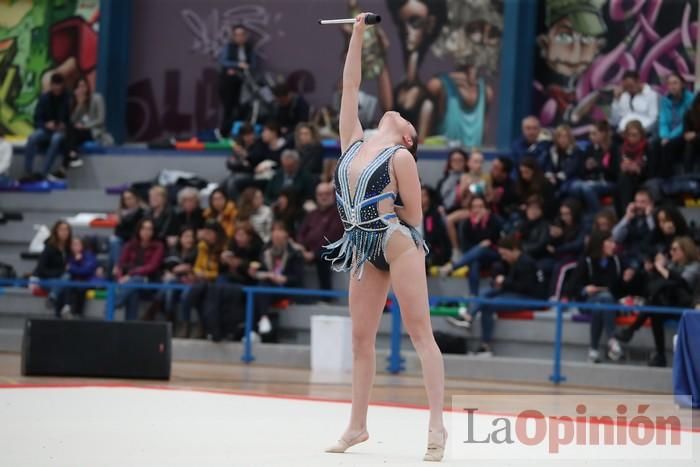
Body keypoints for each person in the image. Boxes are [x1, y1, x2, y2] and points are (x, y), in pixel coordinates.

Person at [322, 13, 445, 461]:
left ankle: (436, 426)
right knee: (360, 339)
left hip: (396, 242)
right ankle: (357, 426)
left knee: (420, 334)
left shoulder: (400, 157)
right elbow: (350, 86)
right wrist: (357, 34)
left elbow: (414, 213)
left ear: (409, 138)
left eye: (405, 119)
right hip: (359, 244)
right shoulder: (353, 140)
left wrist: (385, 211)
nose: (397, 113)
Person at [445, 235, 547, 355]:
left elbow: (525, 288)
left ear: (514, 250)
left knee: (489, 304)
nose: (503, 258)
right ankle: (469, 317)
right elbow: (513, 283)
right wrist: (500, 282)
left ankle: (483, 341)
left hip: (531, 299)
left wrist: (504, 281)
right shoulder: (516, 261)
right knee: (486, 293)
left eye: (505, 254)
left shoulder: (526, 263)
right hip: (518, 292)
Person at [617, 236, 700, 367]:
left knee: (654, 305)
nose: (671, 252)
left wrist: (662, 269)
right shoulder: (672, 266)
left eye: (674, 249)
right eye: (670, 249)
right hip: (668, 304)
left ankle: (632, 330)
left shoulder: (694, 267)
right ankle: (660, 355)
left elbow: (683, 283)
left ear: (685, 250)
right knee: (655, 310)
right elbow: (655, 286)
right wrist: (653, 270)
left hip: (686, 306)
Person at [568, 231, 626, 363]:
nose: (614, 245)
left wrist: (629, 277)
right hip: (588, 301)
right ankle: (612, 339)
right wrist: (585, 289)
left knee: (600, 305)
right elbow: (572, 287)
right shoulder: (586, 261)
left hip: (609, 303)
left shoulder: (616, 262)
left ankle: (593, 350)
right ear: (600, 244)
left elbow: (619, 288)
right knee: (601, 301)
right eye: (610, 242)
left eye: (614, 242)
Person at [249, 221, 304, 341]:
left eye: (280, 230)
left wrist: (284, 278)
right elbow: (261, 270)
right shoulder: (265, 251)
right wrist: (254, 273)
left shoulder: (295, 253)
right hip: (268, 286)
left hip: (286, 288)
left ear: (286, 234)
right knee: (257, 290)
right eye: (274, 230)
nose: (277, 234)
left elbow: (298, 277)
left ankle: (253, 330)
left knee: (259, 291)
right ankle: (262, 320)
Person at [439, 195, 503, 295]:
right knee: (474, 263)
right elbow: (466, 246)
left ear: (486, 208)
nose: (478, 210)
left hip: (493, 254)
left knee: (483, 248)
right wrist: (477, 224)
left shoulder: (494, 220)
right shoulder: (466, 224)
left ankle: (453, 267)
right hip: (474, 256)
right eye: (475, 207)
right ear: (470, 209)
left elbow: (495, 240)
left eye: (481, 206)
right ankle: (474, 296)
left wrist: (480, 224)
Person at [182, 219, 227, 340]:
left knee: (202, 295)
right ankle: (188, 325)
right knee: (190, 294)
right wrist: (196, 273)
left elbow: (219, 272)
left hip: (214, 281)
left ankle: (203, 327)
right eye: (205, 232)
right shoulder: (202, 246)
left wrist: (206, 275)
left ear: (217, 234)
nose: (206, 236)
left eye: (209, 233)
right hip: (201, 280)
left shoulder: (223, 249)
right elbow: (196, 265)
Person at [21, 73, 71, 182]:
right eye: (55, 85)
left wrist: (64, 125)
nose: (57, 88)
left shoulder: (68, 99)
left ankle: (43, 173)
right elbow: (37, 118)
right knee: (32, 137)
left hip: (61, 132)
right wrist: (45, 125)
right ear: (51, 85)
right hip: (46, 130)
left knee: (56, 139)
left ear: (62, 86)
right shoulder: (44, 98)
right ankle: (28, 172)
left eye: (59, 86)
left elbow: (72, 119)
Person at [113, 219, 165, 321]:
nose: (146, 232)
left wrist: (130, 274)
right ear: (139, 230)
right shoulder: (130, 245)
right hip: (131, 284)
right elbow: (120, 265)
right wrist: (120, 278)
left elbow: (152, 267)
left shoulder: (158, 246)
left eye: (149, 229)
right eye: (144, 228)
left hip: (150, 283)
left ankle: (113, 305)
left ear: (153, 231)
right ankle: (130, 326)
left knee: (136, 280)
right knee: (133, 291)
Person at [297, 182, 344, 291]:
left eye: (327, 194)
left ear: (332, 195)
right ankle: (297, 293)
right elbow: (301, 233)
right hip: (308, 250)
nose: (323, 197)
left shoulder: (338, 214)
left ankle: (325, 294)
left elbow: (332, 237)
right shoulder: (312, 214)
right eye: (320, 194)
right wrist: (302, 249)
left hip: (331, 249)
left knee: (323, 255)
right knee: (293, 255)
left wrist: (313, 253)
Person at [569, 120, 618, 214]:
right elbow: (581, 171)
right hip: (591, 180)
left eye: (594, 133)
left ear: (603, 133)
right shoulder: (590, 148)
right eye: (590, 134)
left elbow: (615, 172)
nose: (590, 137)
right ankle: (582, 215)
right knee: (574, 186)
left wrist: (598, 166)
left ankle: (599, 215)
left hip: (609, 181)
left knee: (587, 188)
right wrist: (586, 167)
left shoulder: (614, 148)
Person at [654, 72, 694, 178]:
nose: (672, 86)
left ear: (682, 85)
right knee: (654, 144)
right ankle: (654, 179)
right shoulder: (665, 100)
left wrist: (670, 137)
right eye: (669, 84)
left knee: (668, 146)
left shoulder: (691, 99)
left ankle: (668, 179)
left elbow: (685, 123)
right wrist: (665, 136)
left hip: (684, 132)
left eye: (675, 83)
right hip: (668, 134)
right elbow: (663, 121)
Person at [218, 25, 256, 135]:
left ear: (246, 36)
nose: (240, 37)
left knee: (243, 108)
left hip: (244, 82)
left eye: (242, 35)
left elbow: (253, 64)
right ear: (233, 36)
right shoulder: (228, 47)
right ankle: (224, 132)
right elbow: (223, 61)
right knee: (229, 107)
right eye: (237, 35)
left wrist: (246, 67)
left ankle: (240, 133)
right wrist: (237, 65)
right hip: (229, 83)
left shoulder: (249, 48)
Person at [62, 77, 107, 171]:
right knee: (70, 130)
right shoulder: (76, 101)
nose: (81, 89)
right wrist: (79, 105)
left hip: (94, 131)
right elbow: (72, 121)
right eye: (78, 87)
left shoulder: (97, 98)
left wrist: (85, 126)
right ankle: (73, 157)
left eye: (83, 86)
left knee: (70, 136)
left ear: (87, 87)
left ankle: (64, 167)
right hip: (80, 132)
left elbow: (100, 120)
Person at [159, 227, 197, 337]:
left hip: (192, 283)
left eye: (191, 237)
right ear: (180, 238)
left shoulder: (198, 252)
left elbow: (194, 270)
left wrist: (188, 271)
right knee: (169, 286)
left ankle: (185, 324)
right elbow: (166, 268)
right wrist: (172, 272)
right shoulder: (173, 251)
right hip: (176, 282)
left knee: (186, 294)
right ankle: (170, 320)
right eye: (186, 236)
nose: (189, 239)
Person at [33, 220, 72, 314]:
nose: (64, 232)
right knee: (64, 281)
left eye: (66, 230)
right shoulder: (49, 248)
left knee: (65, 283)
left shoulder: (68, 249)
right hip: (46, 279)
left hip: (61, 280)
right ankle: (64, 310)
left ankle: (53, 298)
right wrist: (59, 273)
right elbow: (40, 270)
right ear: (56, 231)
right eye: (61, 230)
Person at [56, 236, 99, 318]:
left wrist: (73, 267)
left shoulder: (89, 255)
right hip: (74, 282)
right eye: (73, 244)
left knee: (78, 286)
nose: (75, 246)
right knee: (66, 286)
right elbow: (65, 270)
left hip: (88, 281)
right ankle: (63, 312)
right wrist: (75, 264)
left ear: (82, 245)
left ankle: (75, 313)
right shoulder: (69, 257)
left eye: (77, 244)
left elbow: (86, 271)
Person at [611, 188, 655, 267]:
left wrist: (649, 217)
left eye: (643, 202)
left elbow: (655, 236)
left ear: (651, 204)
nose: (638, 205)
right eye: (636, 202)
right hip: (627, 256)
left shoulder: (655, 217)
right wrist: (627, 217)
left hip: (645, 258)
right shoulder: (631, 217)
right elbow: (615, 237)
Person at [615, 120, 649, 217]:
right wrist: (623, 167)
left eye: (635, 135)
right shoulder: (621, 148)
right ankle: (626, 215)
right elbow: (615, 168)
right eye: (629, 135)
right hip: (625, 179)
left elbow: (652, 169)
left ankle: (626, 216)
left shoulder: (648, 147)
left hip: (642, 178)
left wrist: (638, 169)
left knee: (624, 180)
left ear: (641, 135)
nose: (631, 138)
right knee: (623, 179)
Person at [109, 189, 145, 276]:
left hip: (135, 240)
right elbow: (117, 232)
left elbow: (136, 231)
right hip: (123, 239)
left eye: (130, 198)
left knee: (115, 241)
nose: (128, 201)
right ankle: (116, 270)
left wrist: (122, 227)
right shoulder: (121, 213)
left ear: (136, 198)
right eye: (125, 199)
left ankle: (118, 267)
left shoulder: (142, 212)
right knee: (114, 242)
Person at [540, 124, 583, 197]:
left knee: (563, 189)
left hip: (570, 179)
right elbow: (548, 165)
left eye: (565, 136)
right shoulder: (552, 150)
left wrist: (556, 177)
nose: (563, 139)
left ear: (570, 138)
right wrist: (550, 175)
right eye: (560, 136)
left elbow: (571, 169)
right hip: (554, 179)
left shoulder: (576, 151)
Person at [421, 186, 451, 267]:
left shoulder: (432, 214)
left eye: (424, 195)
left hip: (435, 250)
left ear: (429, 198)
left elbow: (431, 236)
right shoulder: (415, 214)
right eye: (420, 194)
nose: (421, 197)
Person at [435, 148, 467, 213]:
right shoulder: (442, 181)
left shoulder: (469, 178)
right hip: (445, 212)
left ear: (465, 162)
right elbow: (438, 200)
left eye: (460, 160)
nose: (457, 163)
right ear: (450, 162)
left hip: (463, 212)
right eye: (454, 160)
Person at [680, 92, 700, 173]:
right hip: (694, 141)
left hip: (696, 137)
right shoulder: (689, 113)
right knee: (689, 145)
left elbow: (692, 135)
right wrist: (690, 136)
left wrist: (695, 135)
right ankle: (687, 176)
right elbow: (686, 133)